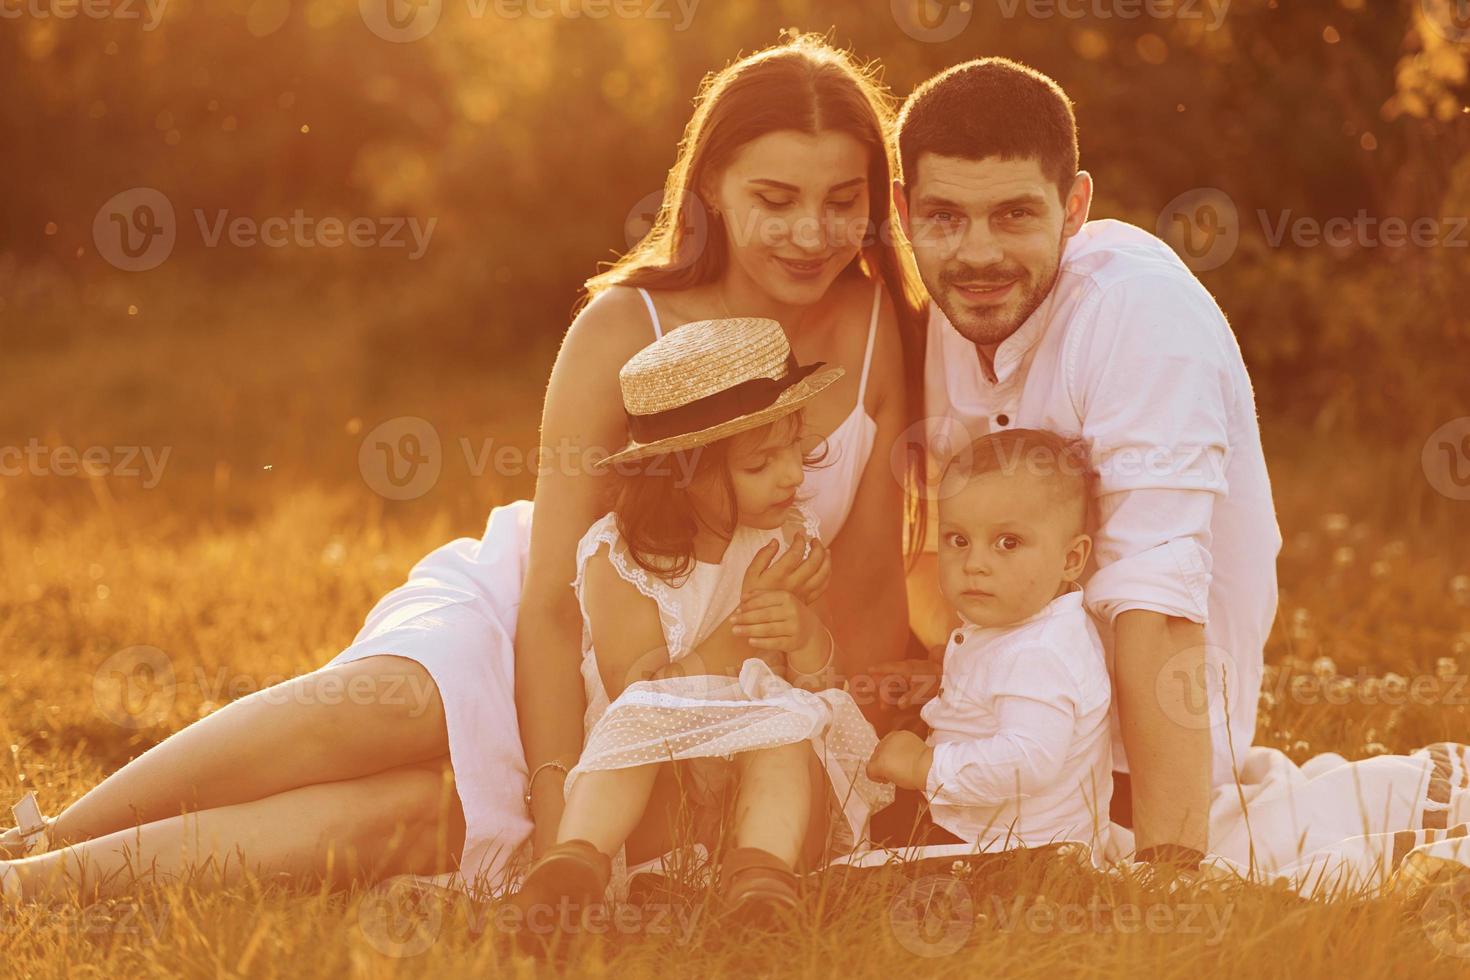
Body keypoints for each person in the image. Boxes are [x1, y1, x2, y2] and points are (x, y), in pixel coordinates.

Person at [1, 34, 922, 900]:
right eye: (776, 199)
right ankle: (45, 839)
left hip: (699, 668)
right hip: (541, 613)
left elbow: (875, 589)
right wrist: (561, 805)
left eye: (844, 200)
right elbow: (557, 600)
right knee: (392, 707)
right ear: (712, 184)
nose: (813, 232)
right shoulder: (624, 326)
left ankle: (32, 892)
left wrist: (831, 755)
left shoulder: (882, 332)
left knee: (417, 814)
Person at [888, 57, 1282, 866]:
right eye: (944, 218)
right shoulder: (949, 314)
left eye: (1013, 215)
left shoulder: (1137, 314)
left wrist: (1170, 868)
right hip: (996, 734)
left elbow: (1157, 597)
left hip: (1136, 762)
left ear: (1074, 208)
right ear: (903, 212)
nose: (978, 253)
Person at [510, 318, 889, 936]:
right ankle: (573, 868)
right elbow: (649, 691)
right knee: (636, 724)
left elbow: (823, 685)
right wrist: (749, 615)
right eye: (762, 461)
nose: (793, 475)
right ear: (682, 476)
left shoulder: (789, 534)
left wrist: (802, 634)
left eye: (795, 446)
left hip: (779, 805)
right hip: (667, 796)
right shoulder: (620, 562)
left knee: (782, 725)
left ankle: (760, 884)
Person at [866, 429, 1111, 855]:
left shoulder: (1039, 653)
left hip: (1013, 847)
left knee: (863, 861)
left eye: (1008, 543)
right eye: (958, 540)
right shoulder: (1020, 627)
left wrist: (925, 766)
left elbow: (1027, 761)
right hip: (981, 825)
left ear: (1071, 559)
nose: (975, 564)